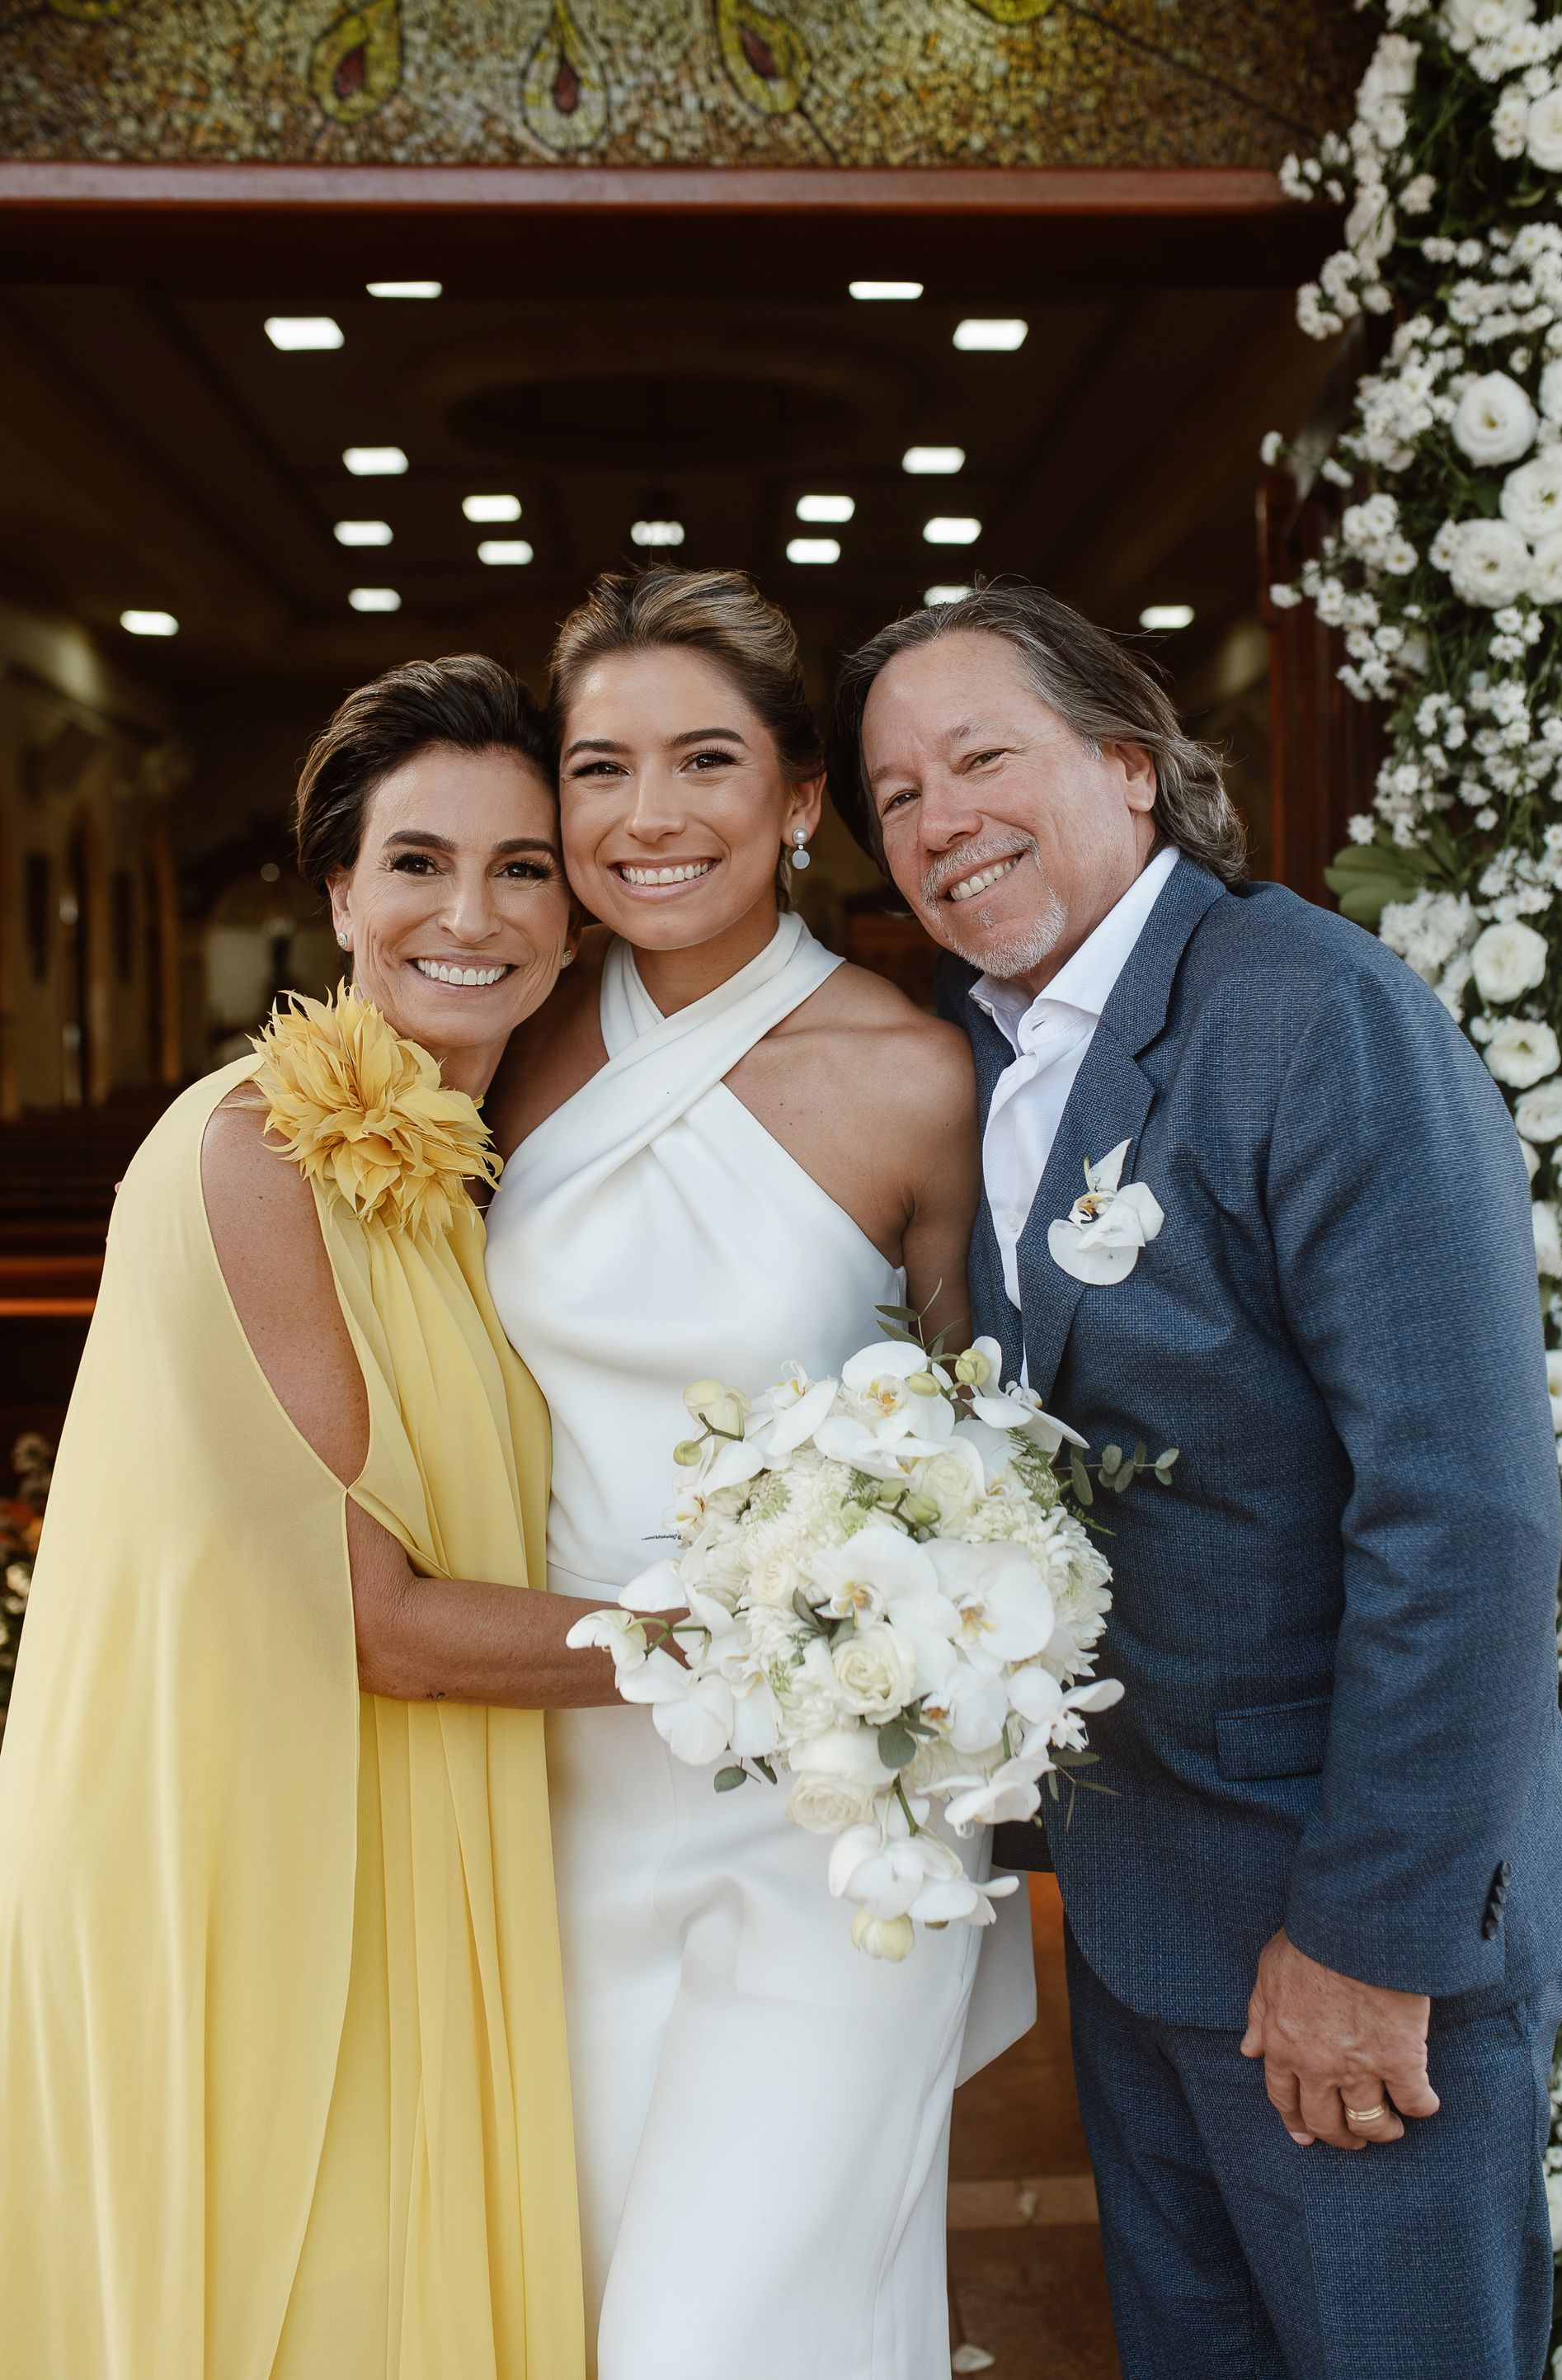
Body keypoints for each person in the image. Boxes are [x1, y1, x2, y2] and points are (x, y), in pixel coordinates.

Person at [827, 582, 1562, 2380]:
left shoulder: (1311, 1017)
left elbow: (1462, 1515)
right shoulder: (984, 1053)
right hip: (1149, 1917)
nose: (943, 822)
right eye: (898, 796)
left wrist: (1367, 1943)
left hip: (1343, 1933)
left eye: (983, 757)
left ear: (1132, 765)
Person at [0, 654, 638, 2378]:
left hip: (386, 1801)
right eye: (420, 862)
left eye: (526, 870)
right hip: (247, 1834)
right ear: (340, 890)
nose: (476, 914)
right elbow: (386, 1623)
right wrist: (772, 1639)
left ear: (577, 919)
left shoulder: (456, 1170)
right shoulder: (257, 1146)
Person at [483, 564, 1034, 2380]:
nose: (648, 817)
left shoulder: (912, 1074)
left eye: (705, 761)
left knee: (716, 2340)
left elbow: (1002, 1444)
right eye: (598, 768)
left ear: (800, 800)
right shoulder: (504, 1059)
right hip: (556, 1786)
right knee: (606, 2308)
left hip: (829, 1807)